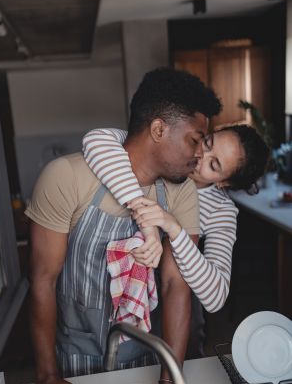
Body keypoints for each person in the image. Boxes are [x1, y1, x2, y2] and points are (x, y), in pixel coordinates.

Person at [26, 67, 222, 384]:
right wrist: (48, 374)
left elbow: (175, 286)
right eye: (195, 140)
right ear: (159, 129)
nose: (199, 155)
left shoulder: (180, 193)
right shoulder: (67, 176)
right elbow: (42, 279)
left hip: (146, 359)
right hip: (73, 359)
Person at [82, 124, 270, 346]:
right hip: (117, 294)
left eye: (213, 165)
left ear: (223, 182)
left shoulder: (221, 210)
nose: (200, 156)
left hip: (177, 313)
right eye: (207, 143)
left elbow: (216, 297)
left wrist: (175, 229)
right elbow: (95, 138)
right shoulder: (166, 154)